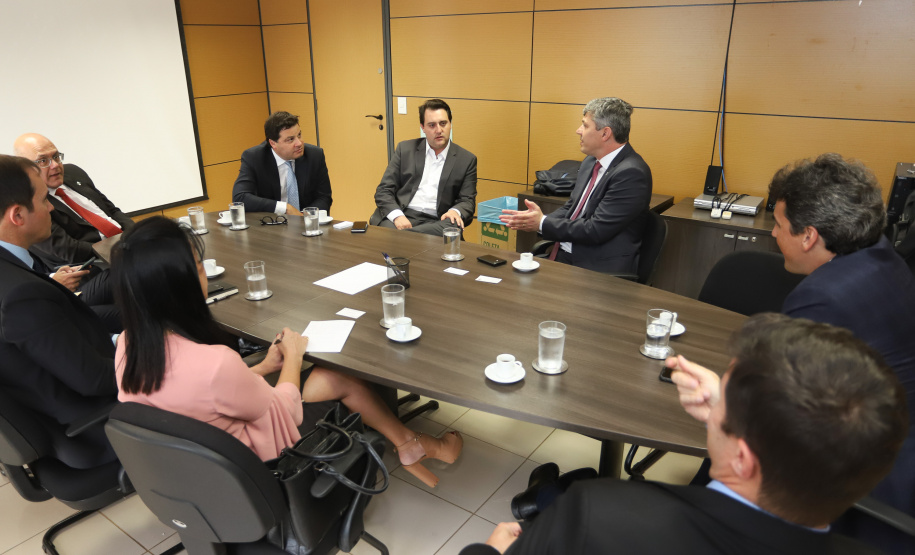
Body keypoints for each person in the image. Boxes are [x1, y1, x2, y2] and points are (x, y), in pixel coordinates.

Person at [462, 314, 907, 554]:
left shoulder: (600, 516)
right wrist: (732, 412)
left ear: (744, 460)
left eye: (723, 404)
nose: (713, 406)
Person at [110, 217, 461, 487]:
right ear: (179, 286)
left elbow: (201, 396)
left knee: (324, 376)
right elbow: (284, 412)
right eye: (199, 266)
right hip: (260, 463)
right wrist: (293, 356)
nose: (205, 272)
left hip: (201, 471)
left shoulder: (129, 344)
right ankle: (414, 443)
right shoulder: (214, 362)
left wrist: (263, 367)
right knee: (336, 374)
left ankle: (408, 442)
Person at [768, 153, 915, 553]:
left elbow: (775, 410)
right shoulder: (884, 256)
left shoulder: (821, 297)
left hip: (863, 478)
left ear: (809, 236)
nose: (773, 234)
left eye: (779, 225)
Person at [0, 155, 118, 468]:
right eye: (42, 199)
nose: (51, 207)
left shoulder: (13, 271)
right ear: (17, 215)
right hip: (96, 429)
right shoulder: (20, 294)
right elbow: (91, 380)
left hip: (60, 405)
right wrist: (159, 362)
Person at [500, 97, 652, 273]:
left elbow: (595, 230)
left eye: (585, 125)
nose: (578, 131)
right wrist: (537, 219)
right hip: (565, 254)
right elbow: (572, 207)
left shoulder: (631, 174)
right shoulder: (590, 162)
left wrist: (542, 223)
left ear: (605, 133)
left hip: (597, 267)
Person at [13, 133, 134, 270]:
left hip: (127, 247)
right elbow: (68, 250)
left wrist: (135, 234)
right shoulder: (30, 204)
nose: (55, 165)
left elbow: (112, 211)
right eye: (43, 161)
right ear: (25, 169)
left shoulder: (73, 172)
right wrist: (121, 247)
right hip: (92, 267)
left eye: (56, 156)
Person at [369, 99, 477, 236]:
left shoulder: (466, 159)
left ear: (450, 124)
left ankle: (407, 236)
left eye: (443, 123)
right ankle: (413, 237)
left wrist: (454, 211)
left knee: (452, 225)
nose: (439, 130)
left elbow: (467, 201)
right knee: (389, 227)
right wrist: (397, 216)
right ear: (423, 127)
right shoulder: (405, 149)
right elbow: (383, 190)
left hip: (438, 221)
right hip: (404, 214)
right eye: (432, 125)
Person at [232, 111, 332, 216]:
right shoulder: (254, 158)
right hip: (272, 225)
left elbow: (324, 197)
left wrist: (305, 217)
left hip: (307, 222)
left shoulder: (314, 155)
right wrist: (285, 208)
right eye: (290, 139)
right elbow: (240, 198)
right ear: (273, 143)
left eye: (299, 135)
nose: (299, 143)